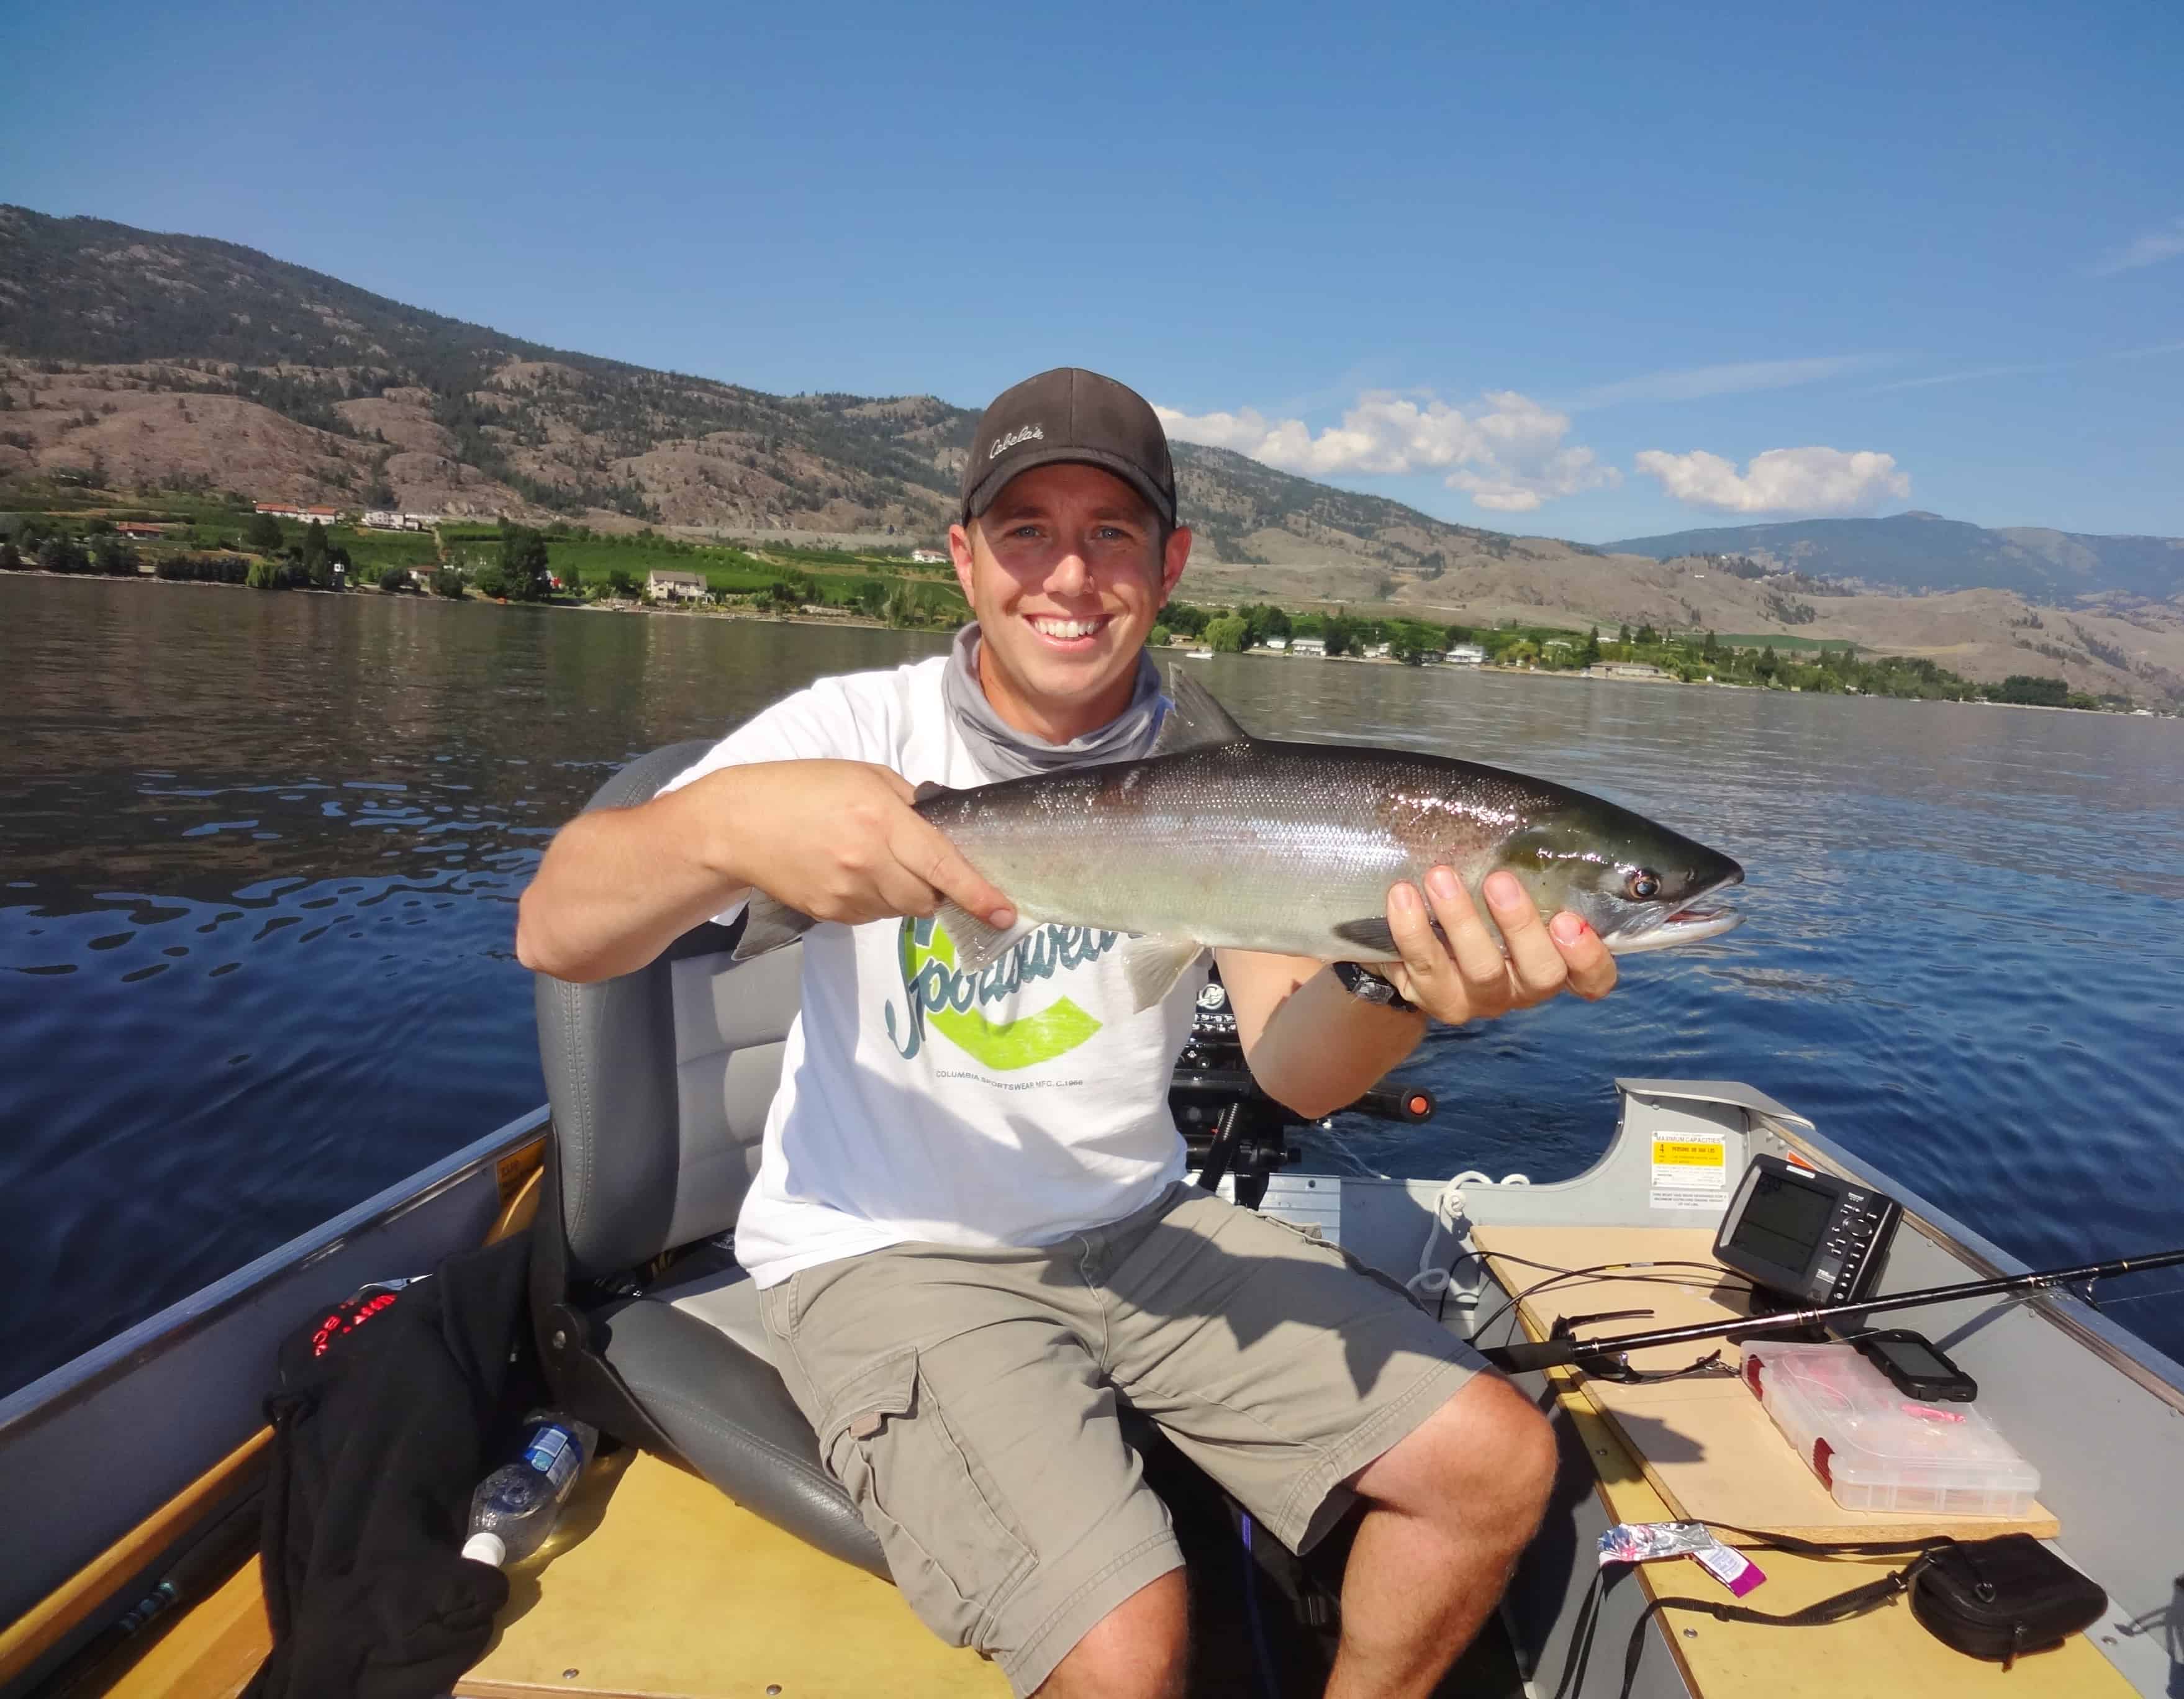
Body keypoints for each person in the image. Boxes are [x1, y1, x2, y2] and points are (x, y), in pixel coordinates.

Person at [517, 368, 1619, 1698]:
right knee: (1124, 1649)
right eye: (1027, 531)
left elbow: (1293, 1071)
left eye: (1112, 533)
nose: (1070, 575)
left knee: (1495, 1465)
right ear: (964, 556)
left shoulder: (1228, 775)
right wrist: (723, 827)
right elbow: (559, 930)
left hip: (1136, 1225)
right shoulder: (853, 730)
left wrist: (1397, 986)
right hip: (887, 1248)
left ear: (1171, 564)